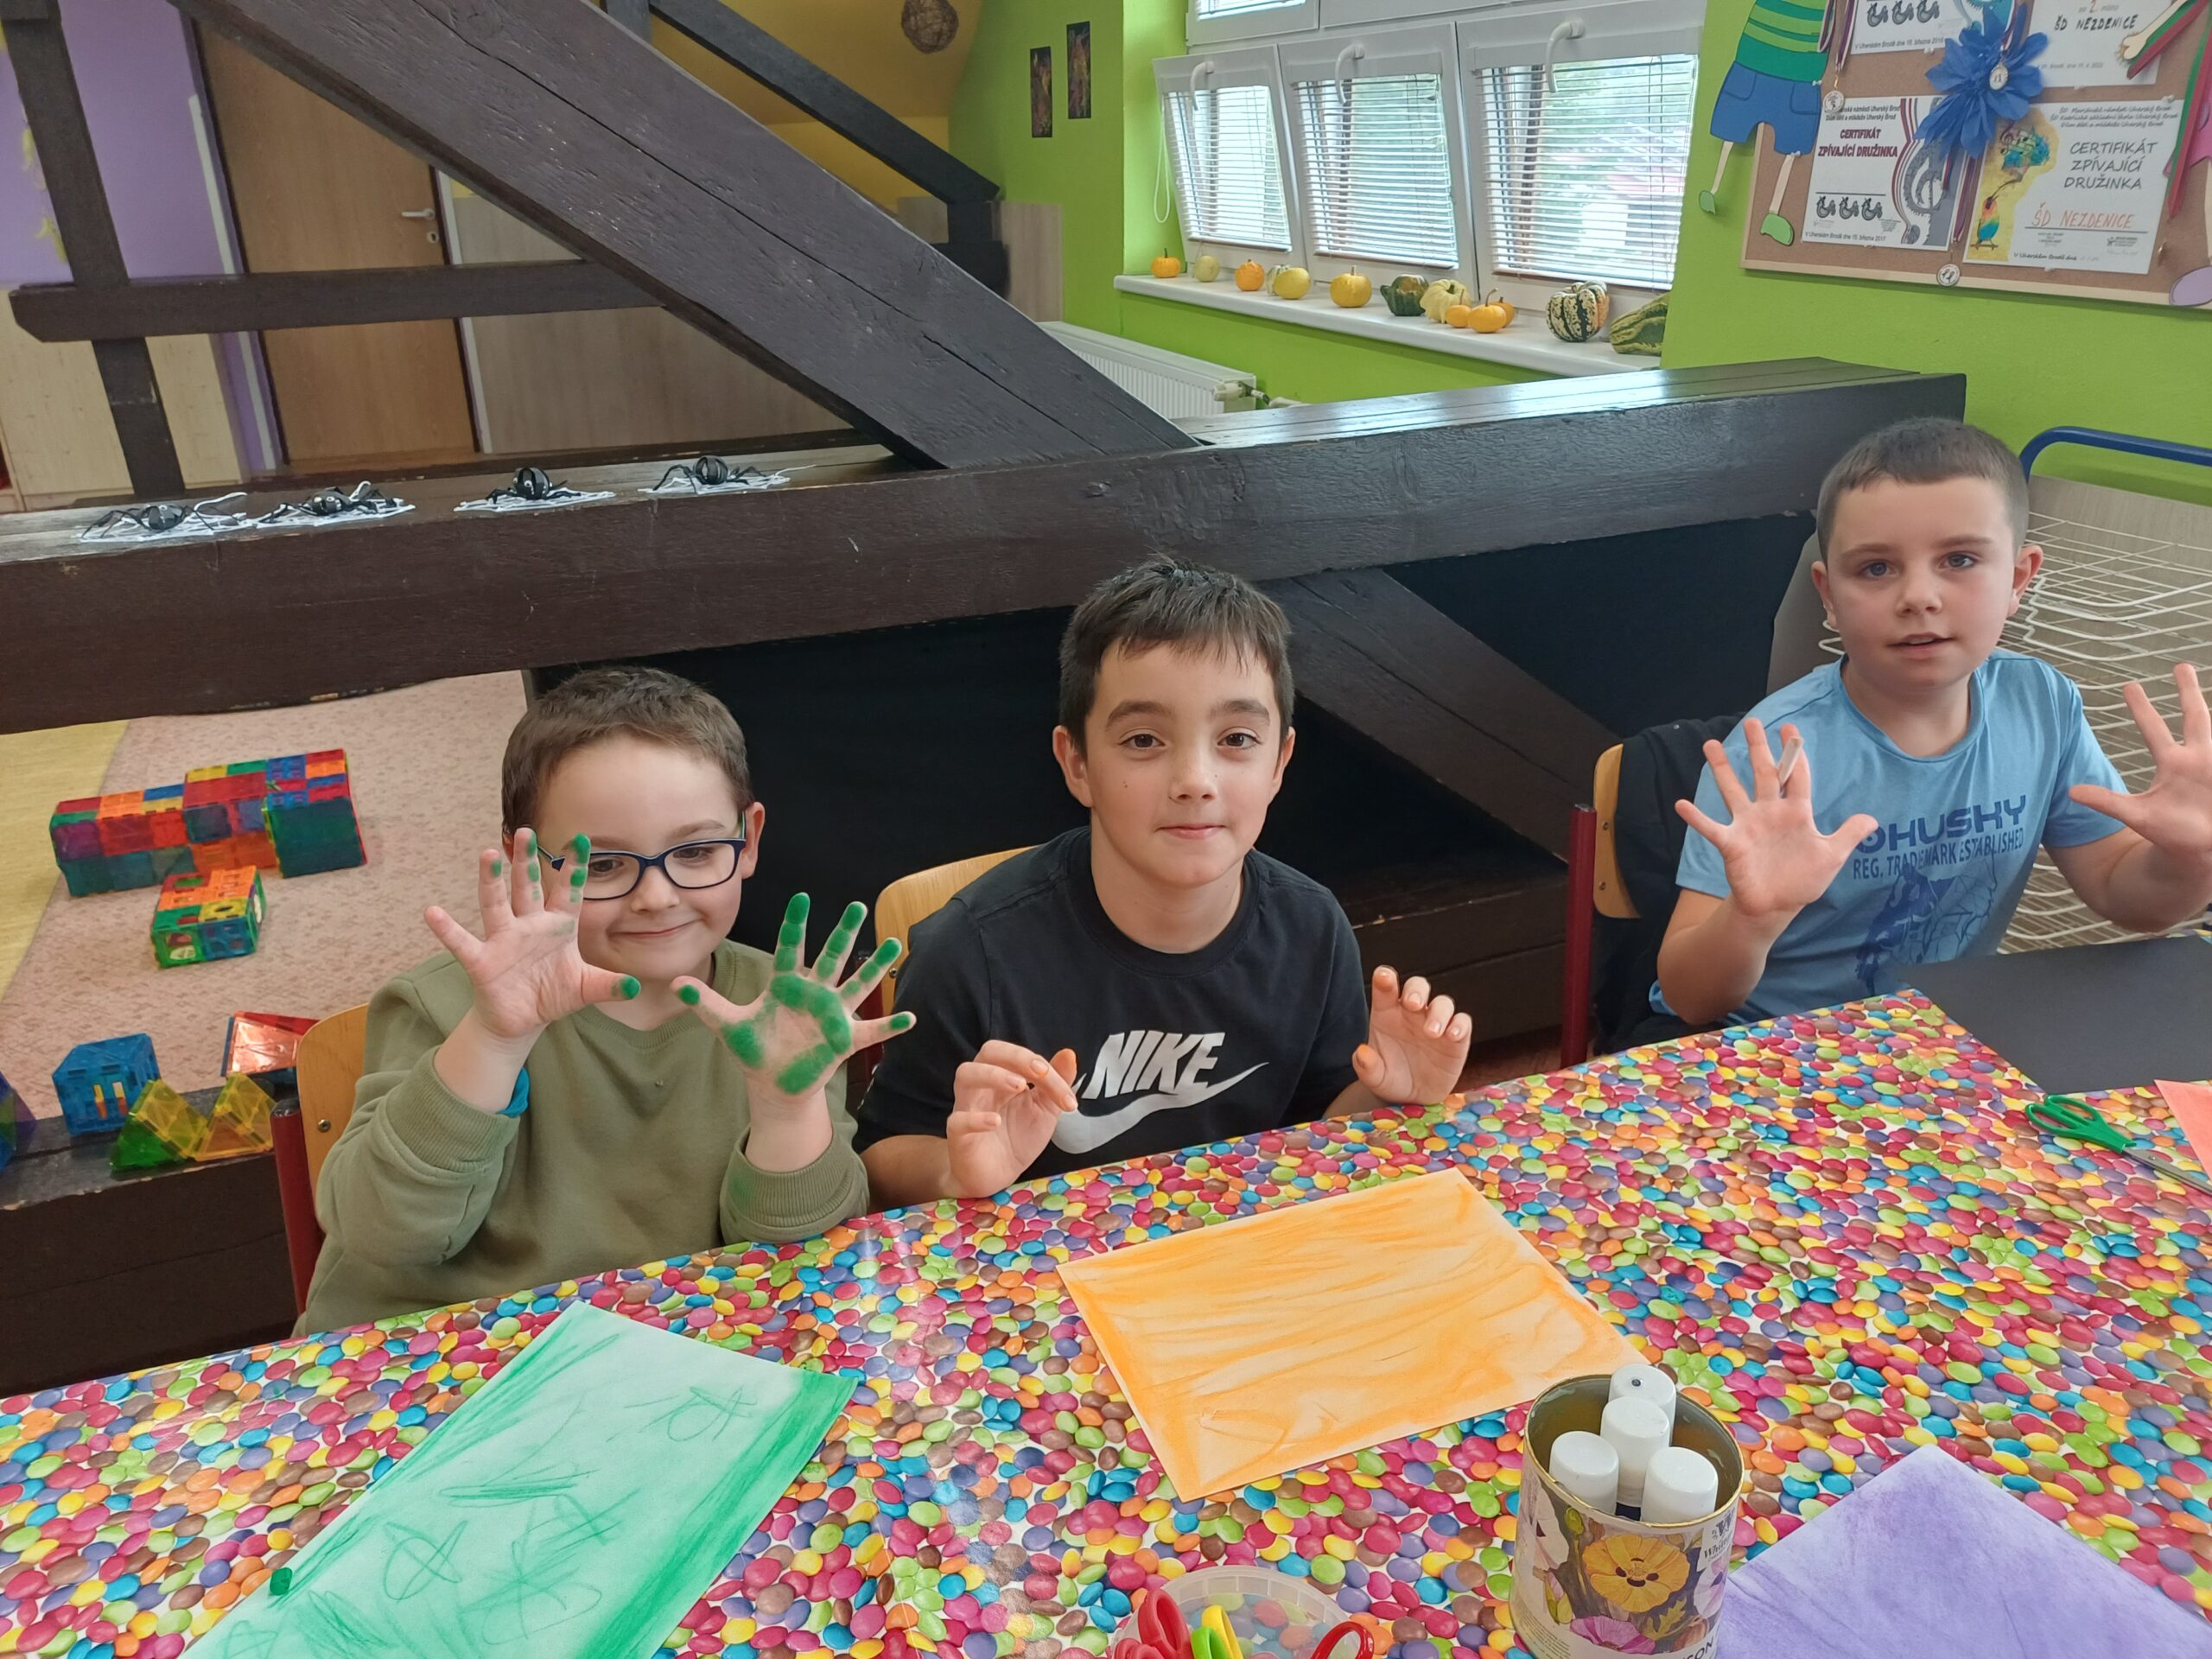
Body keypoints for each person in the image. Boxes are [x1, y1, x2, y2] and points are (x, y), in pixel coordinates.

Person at [855, 559, 1475, 1205]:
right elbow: (881, 1156)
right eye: (1145, 740)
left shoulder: (1312, 928)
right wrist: (955, 1173)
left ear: (1279, 763)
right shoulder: (971, 952)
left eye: (1237, 738)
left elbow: (1319, 1126)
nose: (1195, 781)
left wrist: (1386, 1093)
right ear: (1077, 763)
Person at [303, 666, 902, 1331]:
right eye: (605, 865)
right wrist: (495, 1038)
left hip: (682, 1349)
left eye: (697, 852)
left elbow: (801, 1260)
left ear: (749, 839)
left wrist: (786, 1111)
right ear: (526, 859)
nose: (657, 897)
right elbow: (385, 1234)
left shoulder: (784, 1013)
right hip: (448, 1353)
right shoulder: (442, 1005)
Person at [1655, 418, 2212, 1029]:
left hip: (1943, 1044)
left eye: (1959, 559)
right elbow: (1688, 998)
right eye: (1876, 568)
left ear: (2018, 580)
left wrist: (2191, 857)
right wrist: (1752, 919)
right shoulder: (1775, 753)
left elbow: (2124, 892)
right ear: (1829, 595)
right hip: (1766, 1045)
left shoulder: (2041, 703)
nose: (1919, 596)